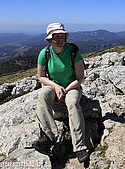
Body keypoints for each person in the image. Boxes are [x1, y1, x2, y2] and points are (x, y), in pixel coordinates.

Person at [32, 22, 88, 163]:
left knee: (73, 103)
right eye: (56, 36)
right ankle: (50, 137)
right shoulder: (44, 53)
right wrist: (56, 87)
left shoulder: (73, 52)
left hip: (72, 86)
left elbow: (80, 78)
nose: (60, 38)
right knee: (42, 95)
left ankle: (80, 146)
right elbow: (41, 77)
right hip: (53, 85)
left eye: (62, 35)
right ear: (50, 39)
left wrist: (65, 90)